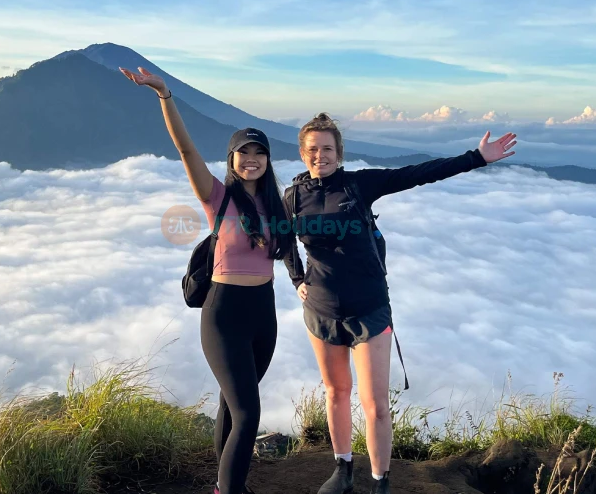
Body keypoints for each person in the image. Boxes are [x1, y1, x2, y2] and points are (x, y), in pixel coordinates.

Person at [282, 113, 517, 494]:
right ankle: (342, 470)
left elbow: (417, 173)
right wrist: (297, 279)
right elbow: (282, 238)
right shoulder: (293, 197)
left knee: (374, 403)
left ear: (339, 153)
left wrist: (476, 157)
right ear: (303, 154)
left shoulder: (359, 185)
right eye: (312, 149)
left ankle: (380, 482)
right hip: (321, 311)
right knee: (336, 392)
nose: (319, 155)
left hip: (369, 310)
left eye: (327, 148)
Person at [119, 66, 294, 494]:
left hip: (263, 314)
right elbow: (185, 149)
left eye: (259, 152)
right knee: (249, 414)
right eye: (243, 153)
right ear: (232, 159)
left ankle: (224, 482)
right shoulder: (218, 196)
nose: (251, 159)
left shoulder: (276, 204)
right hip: (224, 315)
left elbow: (291, 250)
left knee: (231, 408)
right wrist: (165, 95)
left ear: (268, 160)